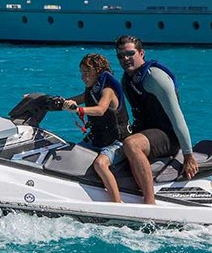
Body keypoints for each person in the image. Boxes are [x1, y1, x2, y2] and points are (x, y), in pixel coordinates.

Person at [115, 35, 198, 204]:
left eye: (130, 54)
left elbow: (177, 118)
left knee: (132, 144)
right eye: (121, 56)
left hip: (168, 136)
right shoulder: (128, 79)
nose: (125, 59)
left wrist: (188, 156)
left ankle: (149, 201)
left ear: (141, 53)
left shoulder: (155, 77)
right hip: (146, 132)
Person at [63, 53, 130, 203]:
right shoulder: (91, 90)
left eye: (87, 73)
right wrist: (53, 102)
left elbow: (100, 109)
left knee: (100, 164)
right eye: (82, 73)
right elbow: (74, 100)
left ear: (98, 72)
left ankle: (117, 203)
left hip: (117, 142)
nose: (83, 77)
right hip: (98, 139)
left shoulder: (108, 90)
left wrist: (79, 110)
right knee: (70, 153)